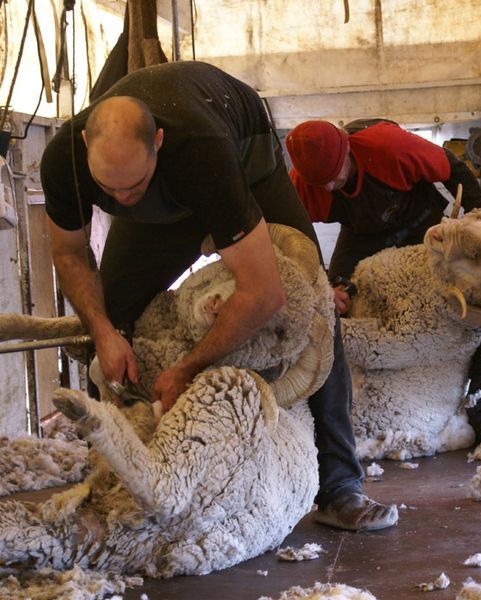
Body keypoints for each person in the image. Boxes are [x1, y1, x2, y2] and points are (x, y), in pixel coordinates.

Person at [40, 61, 398, 532]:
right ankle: (117, 477)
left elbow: (264, 293)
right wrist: (105, 333)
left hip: (244, 167)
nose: (122, 199)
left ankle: (340, 486)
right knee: (109, 321)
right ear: (85, 144)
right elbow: (69, 255)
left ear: (159, 144)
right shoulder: (63, 160)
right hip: (166, 201)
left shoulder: (201, 152)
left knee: (314, 310)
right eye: (110, 189)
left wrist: (186, 368)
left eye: (133, 185)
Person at [285, 119, 481, 443]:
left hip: (422, 222)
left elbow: (453, 167)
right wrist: (322, 287)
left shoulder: (388, 146)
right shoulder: (303, 186)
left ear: (347, 148)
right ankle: (334, 411)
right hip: (361, 234)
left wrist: (480, 225)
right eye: (323, 183)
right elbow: (294, 241)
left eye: (337, 174)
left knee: (467, 302)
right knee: (333, 310)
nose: (332, 185)